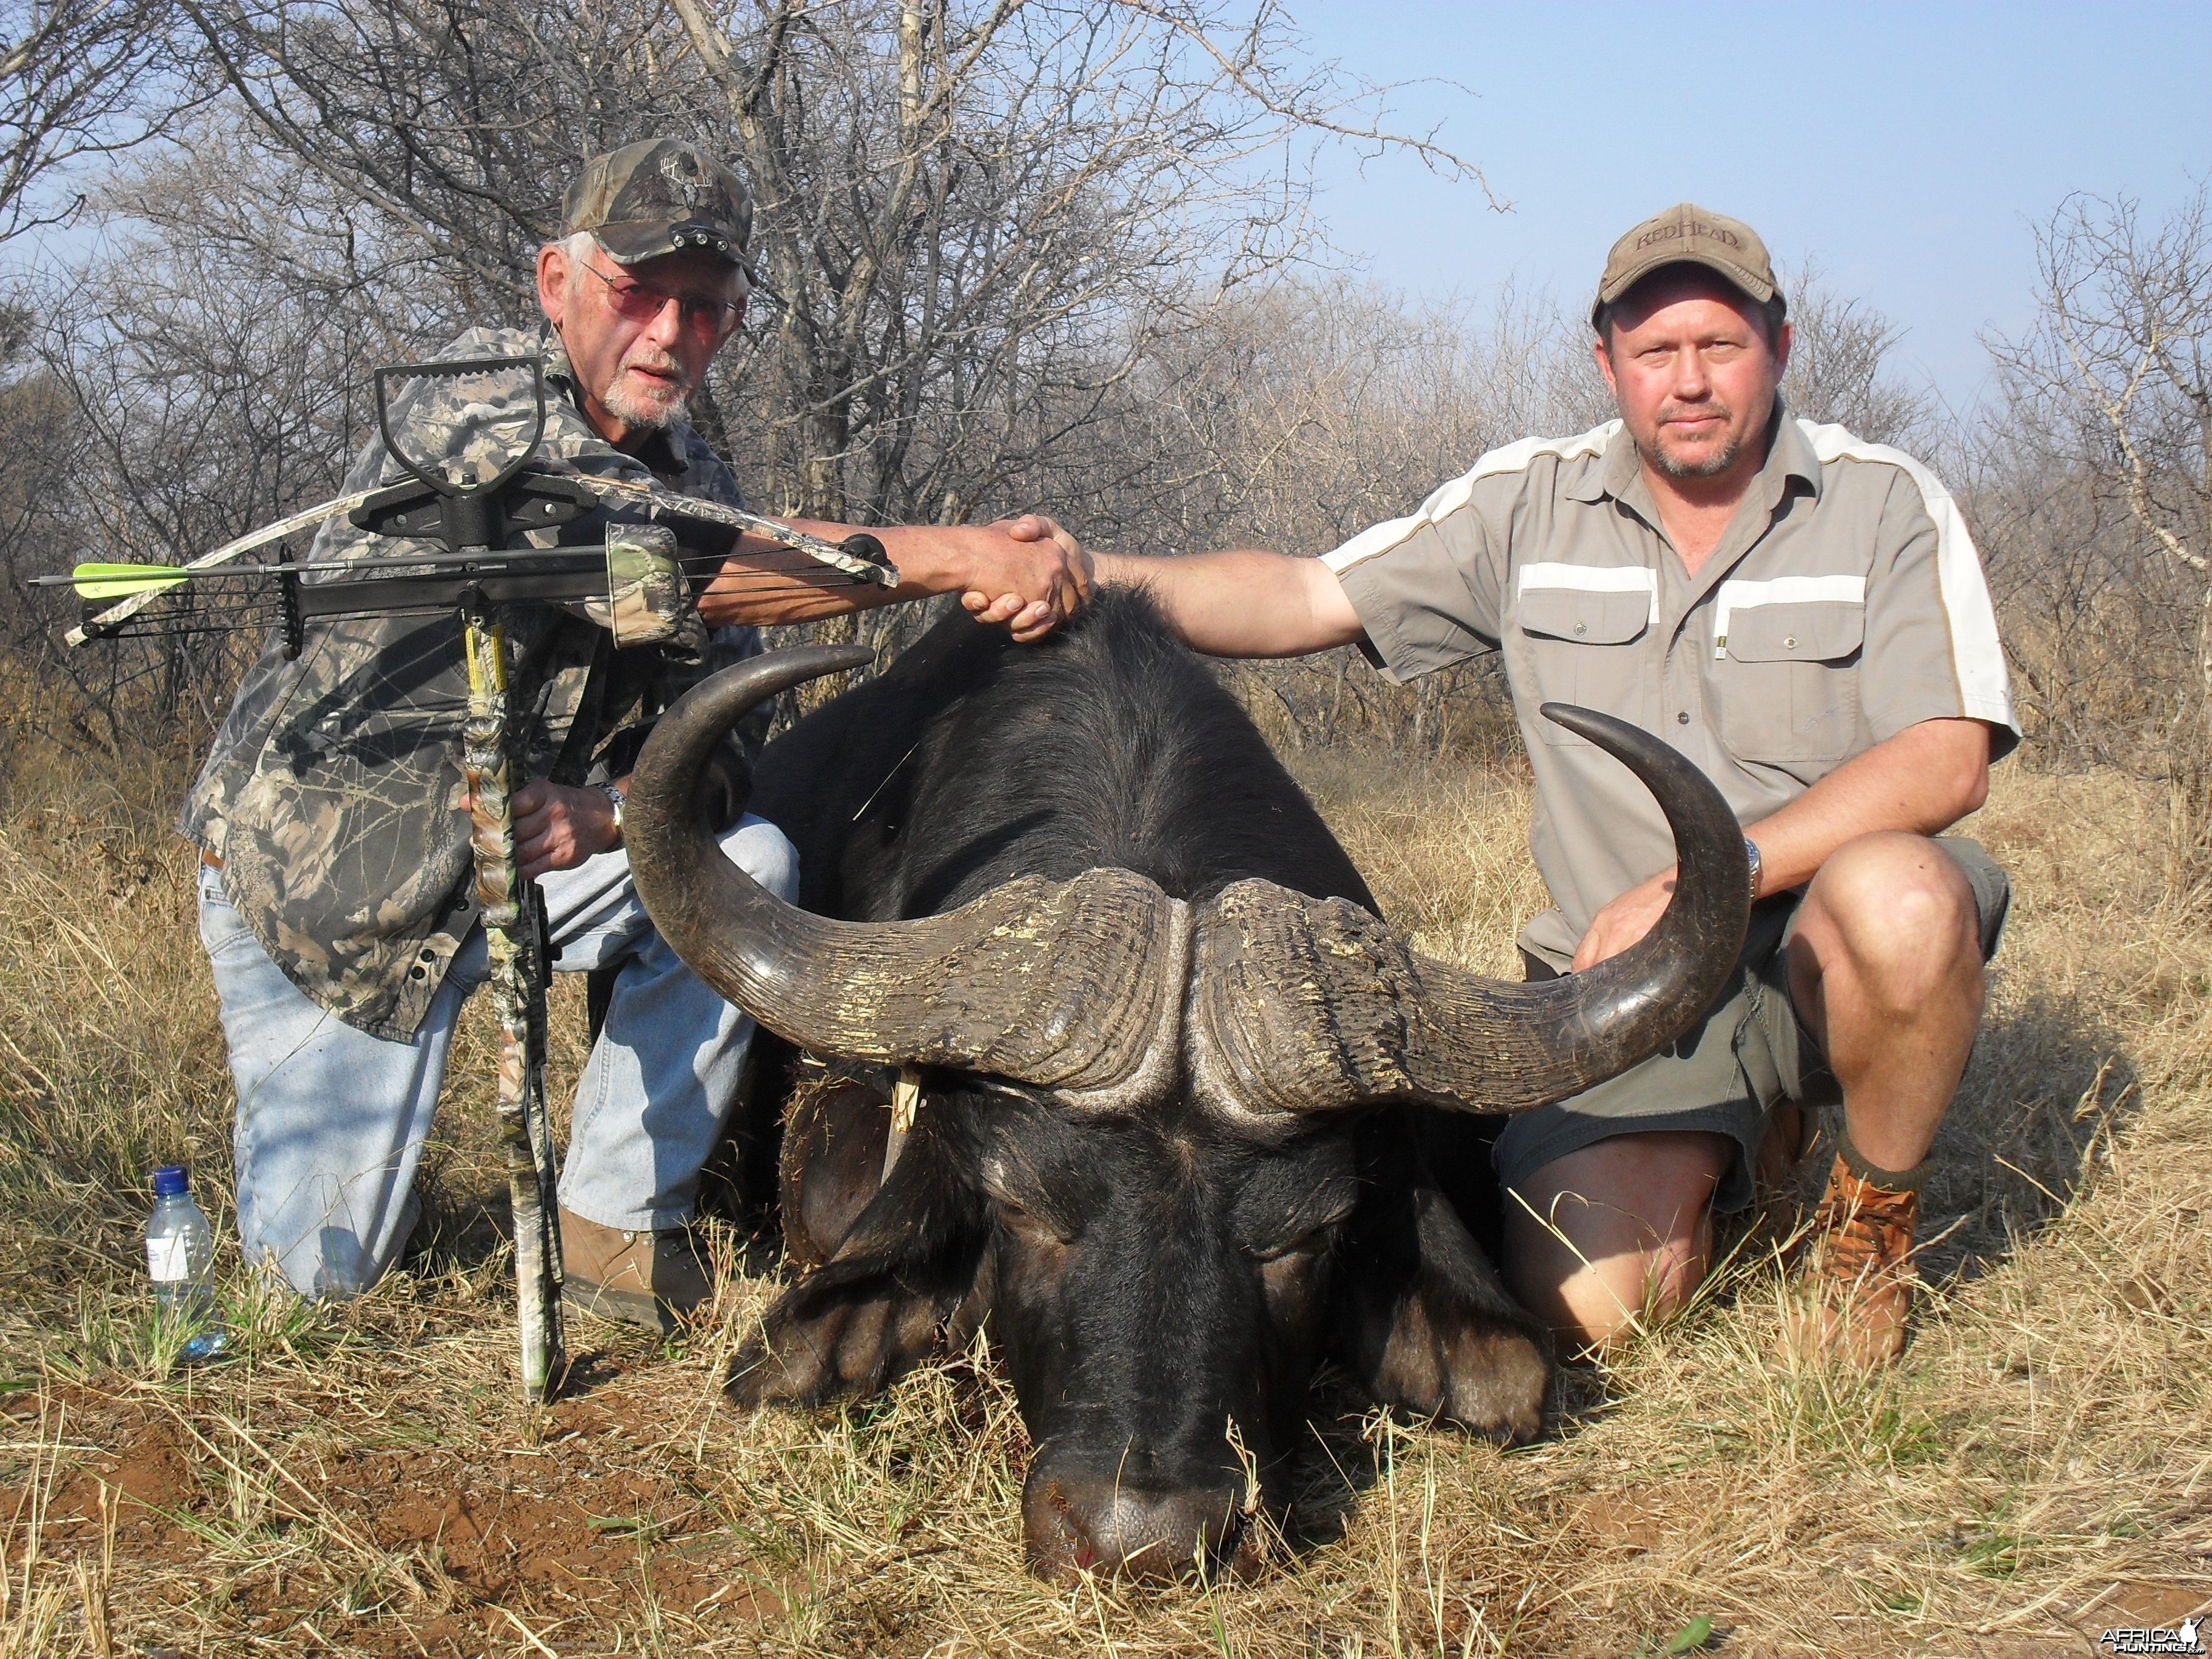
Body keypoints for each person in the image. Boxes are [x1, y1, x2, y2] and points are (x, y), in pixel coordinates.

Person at [1025, 203, 2017, 1366]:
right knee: (1589, 1308)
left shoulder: (1884, 498)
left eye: (1720, 345)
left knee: (1905, 903)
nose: (1688, 381)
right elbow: (1305, 596)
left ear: (1781, 349)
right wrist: (1091, 575)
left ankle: (1871, 1223)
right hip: (1625, 986)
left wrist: (1713, 878)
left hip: (1817, 943)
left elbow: (1948, 754)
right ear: (1608, 364)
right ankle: (1750, 1143)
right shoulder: (1528, 499)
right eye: (1655, 352)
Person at [185, 138, 1088, 1331]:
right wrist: (956, 558)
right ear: (557, 282)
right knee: (319, 1291)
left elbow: (722, 742)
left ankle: (611, 1227)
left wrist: (606, 815)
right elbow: (657, 567)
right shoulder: (472, 405)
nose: (667, 333)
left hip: (528, 863)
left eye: (703, 310)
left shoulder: (698, 465)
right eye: (637, 293)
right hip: (340, 895)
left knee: (749, 863)